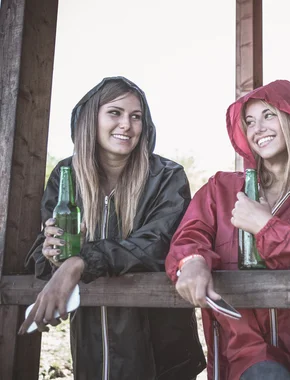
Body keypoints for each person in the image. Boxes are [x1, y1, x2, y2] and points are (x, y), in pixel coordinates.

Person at [166, 80, 290, 380]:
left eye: (269, 115)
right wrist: (191, 262)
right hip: (246, 358)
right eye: (249, 121)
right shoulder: (221, 190)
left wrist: (266, 227)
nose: (258, 127)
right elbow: (190, 236)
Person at [21, 77, 206, 380]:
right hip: (92, 349)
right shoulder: (66, 176)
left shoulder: (167, 176)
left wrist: (80, 261)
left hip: (161, 353)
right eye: (115, 113)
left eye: (136, 116)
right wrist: (52, 254)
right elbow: (41, 248)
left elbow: (155, 245)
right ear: (91, 118)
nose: (127, 125)